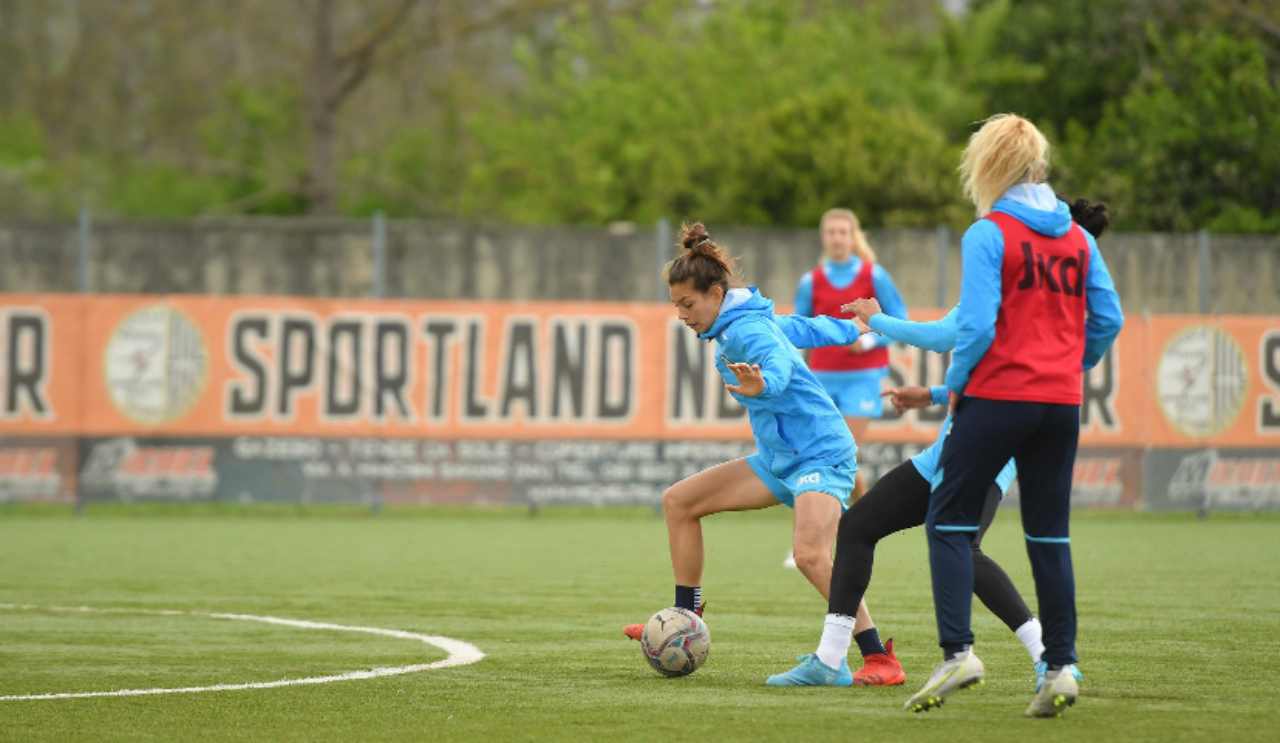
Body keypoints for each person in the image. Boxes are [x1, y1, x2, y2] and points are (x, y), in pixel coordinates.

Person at [764, 196, 1111, 689]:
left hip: (978, 444)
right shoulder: (1055, 301)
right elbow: (1020, 362)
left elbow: (948, 334)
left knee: (960, 547)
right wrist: (933, 393)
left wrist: (876, 320)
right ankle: (832, 657)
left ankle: (1043, 657)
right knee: (862, 526)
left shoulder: (1001, 276)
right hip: (955, 451)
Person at [903, 114, 1124, 718]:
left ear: (988, 166)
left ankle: (958, 654)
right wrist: (1066, 366)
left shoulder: (989, 233)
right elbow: (1108, 321)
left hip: (998, 397)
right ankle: (1059, 667)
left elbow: (974, 326)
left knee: (946, 524)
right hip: (1060, 404)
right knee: (1049, 536)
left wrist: (954, 385)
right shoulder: (1079, 238)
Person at [621, 222, 904, 686]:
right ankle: (685, 616)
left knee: (811, 556)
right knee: (679, 502)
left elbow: (779, 366)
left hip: (820, 453)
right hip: (781, 459)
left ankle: (876, 658)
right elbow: (800, 328)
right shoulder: (742, 320)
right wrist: (848, 326)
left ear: (715, 293)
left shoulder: (746, 330)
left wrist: (763, 384)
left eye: (688, 305)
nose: (683, 316)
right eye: (676, 307)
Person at [793, 208, 907, 497]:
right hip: (821, 378)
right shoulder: (811, 281)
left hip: (863, 378)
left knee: (841, 450)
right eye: (831, 232)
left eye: (843, 232)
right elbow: (798, 327)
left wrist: (868, 342)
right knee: (834, 454)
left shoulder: (874, 275)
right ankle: (856, 520)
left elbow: (900, 320)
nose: (837, 238)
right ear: (823, 238)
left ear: (853, 237)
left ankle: (843, 527)